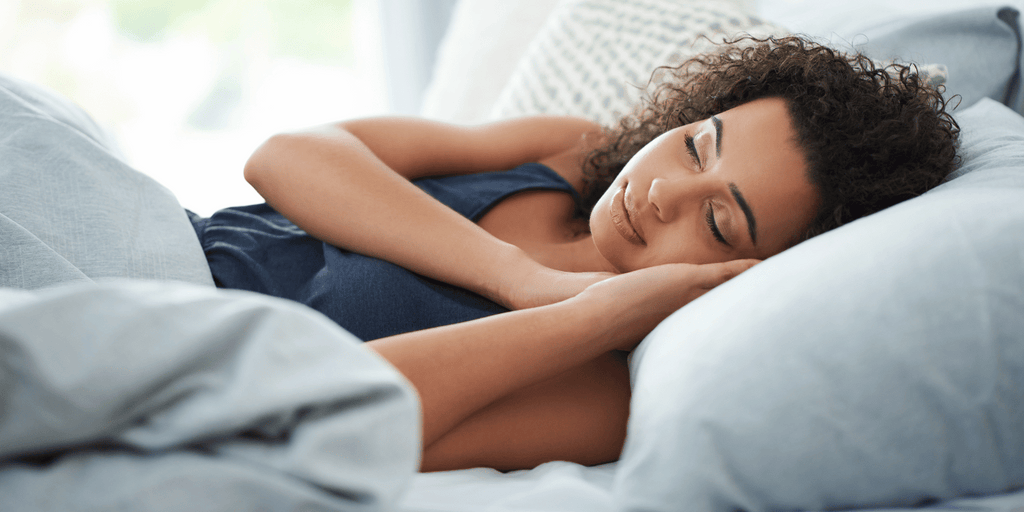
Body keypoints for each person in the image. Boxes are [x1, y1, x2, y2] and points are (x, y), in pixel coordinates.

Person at [188, 36, 959, 472]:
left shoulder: (606, 390)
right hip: (165, 243)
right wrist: (520, 278)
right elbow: (284, 158)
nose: (665, 193)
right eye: (696, 147)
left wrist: (578, 319)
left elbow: (314, 417)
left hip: (185, 355)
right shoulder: (571, 150)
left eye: (720, 221)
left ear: (742, 276)